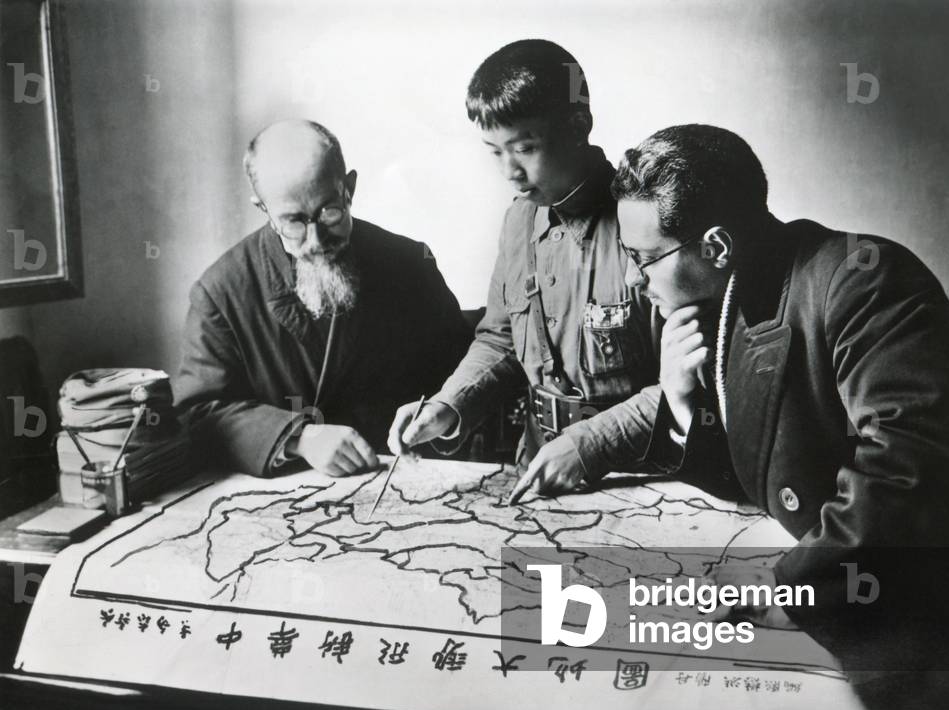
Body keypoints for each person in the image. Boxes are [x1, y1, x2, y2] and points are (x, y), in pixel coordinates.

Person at [612, 124, 949, 710]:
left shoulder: (864, 277)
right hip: (862, 577)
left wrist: (792, 588)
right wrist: (678, 401)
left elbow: (908, 461)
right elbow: (755, 473)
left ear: (718, 247)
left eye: (643, 258)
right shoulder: (728, 299)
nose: (633, 278)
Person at [388, 40, 659, 500]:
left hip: (640, 480)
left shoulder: (646, 223)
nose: (509, 171)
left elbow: (688, 383)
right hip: (535, 471)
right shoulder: (519, 221)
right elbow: (500, 337)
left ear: (578, 126)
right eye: (494, 151)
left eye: (525, 147)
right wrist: (448, 405)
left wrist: (590, 445)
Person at [174, 120, 471, 478]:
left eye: (329, 212)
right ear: (263, 208)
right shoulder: (221, 291)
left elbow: (463, 370)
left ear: (349, 188)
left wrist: (440, 411)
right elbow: (199, 411)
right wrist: (300, 437)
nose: (315, 241)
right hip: (288, 491)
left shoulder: (409, 264)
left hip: (399, 479)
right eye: (293, 222)